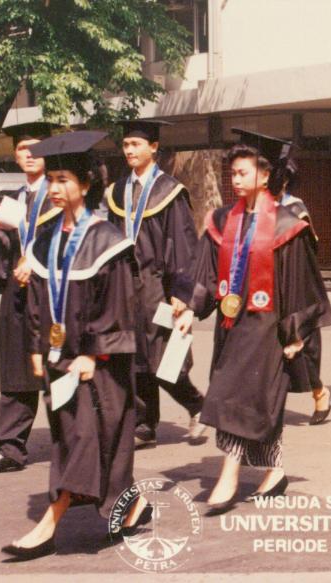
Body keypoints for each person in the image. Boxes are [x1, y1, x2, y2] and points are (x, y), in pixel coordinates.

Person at [1, 131, 147, 561]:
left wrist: (91, 352)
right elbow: (37, 299)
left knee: (83, 438)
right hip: (59, 359)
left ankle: (49, 524)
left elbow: (119, 306)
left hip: (99, 363)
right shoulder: (46, 240)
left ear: (85, 184)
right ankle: (132, 503)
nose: (55, 188)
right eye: (51, 180)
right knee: (81, 438)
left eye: (63, 180)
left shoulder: (108, 241)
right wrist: (35, 345)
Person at [182, 130, 331, 515]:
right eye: (232, 173)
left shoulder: (286, 224)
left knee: (238, 395)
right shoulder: (221, 220)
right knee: (259, 400)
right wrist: (190, 309)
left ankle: (228, 474)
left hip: (267, 327)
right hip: (231, 323)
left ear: (265, 176)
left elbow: (299, 282)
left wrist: (296, 333)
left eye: (243, 172)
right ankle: (275, 472)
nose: (235, 179)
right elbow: (206, 273)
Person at [0, 122, 62, 476]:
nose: (29, 154)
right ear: (15, 155)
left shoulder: (59, 194)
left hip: (52, 294)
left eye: (36, 148)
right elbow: (0, 261)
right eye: (23, 148)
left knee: (57, 368)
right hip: (18, 295)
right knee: (14, 370)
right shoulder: (14, 199)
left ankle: (74, 445)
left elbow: (70, 241)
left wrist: (34, 261)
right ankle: (9, 448)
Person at [105, 120, 204, 448]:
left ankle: (196, 404)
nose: (130, 150)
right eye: (126, 144)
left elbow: (183, 243)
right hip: (125, 285)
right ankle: (144, 425)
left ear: (154, 147)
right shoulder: (117, 192)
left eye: (136, 144)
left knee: (165, 357)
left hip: (157, 286)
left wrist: (181, 291)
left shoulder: (169, 191)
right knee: (135, 357)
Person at [272, 156, 331, 425]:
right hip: (266, 286)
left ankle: (320, 391)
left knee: (301, 348)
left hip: (296, 283)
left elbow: (306, 254)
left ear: (285, 181)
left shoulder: (295, 209)